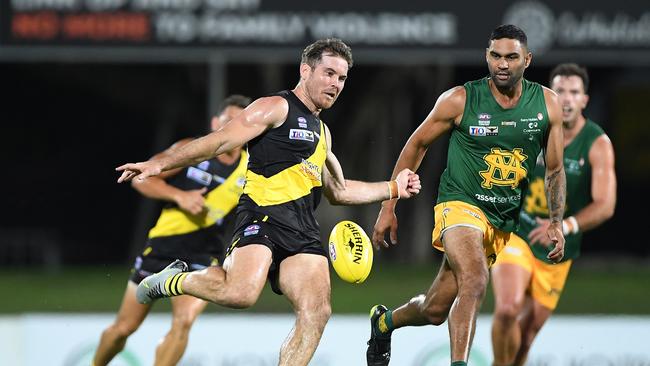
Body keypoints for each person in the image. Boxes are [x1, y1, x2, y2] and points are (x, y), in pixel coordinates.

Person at [115, 38, 422, 366]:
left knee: (317, 311)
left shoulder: (323, 133)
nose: (335, 83)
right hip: (262, 217)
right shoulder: (275, 107)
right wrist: (161, 164)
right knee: (241, 294)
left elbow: (339, 191)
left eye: (342, 78)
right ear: (306, 70)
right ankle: (169, 280)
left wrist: (392, 187)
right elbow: (218, 141)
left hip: (302, 230)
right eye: (329, 73)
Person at [366, 25, 567, 366]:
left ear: (527, 60)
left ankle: (384, 323)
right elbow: (417, 144)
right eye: (495, 56)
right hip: (459, 205)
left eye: (511, 57)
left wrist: (557, 222)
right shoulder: (460, 99)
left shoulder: (547, 105)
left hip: (501, 221)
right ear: (487, 57)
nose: (502, 64)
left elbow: (555, 169)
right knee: (474, 279)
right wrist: (389, 205)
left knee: (434, 309)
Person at [94, 95, 252, 366]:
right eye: (228, 121)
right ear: (216, 122)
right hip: (164, 245)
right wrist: (180, 196)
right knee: (124, 328)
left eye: (241, 122)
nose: (234, 127)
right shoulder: (191, 149)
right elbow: (142, 180)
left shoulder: (252, 166)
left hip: (205, 253)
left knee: (184, 321)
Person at [490, 63, 617, 366]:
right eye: (560, 91)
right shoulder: (530, 127)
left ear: (585, 100)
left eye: (575, 92)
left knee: (526, 337)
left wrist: (564, 225)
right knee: (508, 308)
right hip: (516, 232)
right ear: (550, 95)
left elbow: (605, 205)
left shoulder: (597, 144)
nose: (568, 98)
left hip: (556, 250)